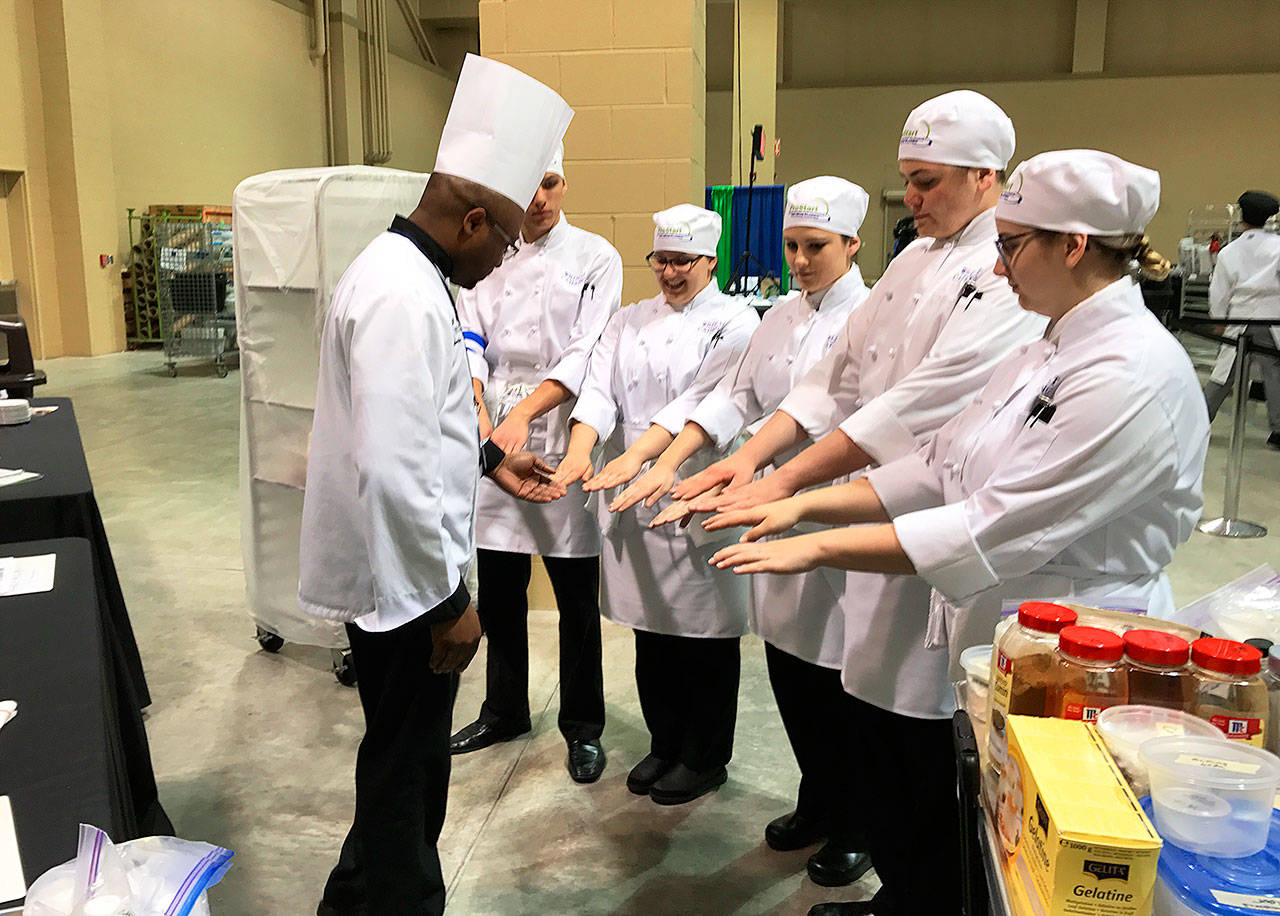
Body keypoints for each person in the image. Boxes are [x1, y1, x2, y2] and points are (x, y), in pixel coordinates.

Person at [709, 150, 1209, 915]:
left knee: (1021, 854)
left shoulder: (1129, 374)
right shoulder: (1046, 346)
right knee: (970, 812)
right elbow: (940, 465)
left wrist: (811, 543)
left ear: (1073, 245)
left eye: (1011, 247)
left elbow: (989, 528)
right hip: (1008, 636)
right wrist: (798, 500)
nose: (999, 269)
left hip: (1083, 649)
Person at [298, 55, 572, 916]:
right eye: (505, 243)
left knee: (402, 761)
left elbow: (426, 422)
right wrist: (445, 602)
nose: (503, 262)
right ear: (474, 219)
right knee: (408, 772)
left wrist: (492, 460)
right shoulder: (400, 294)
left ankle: (357, 897)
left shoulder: (415, 280)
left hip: (405, 575)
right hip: (405, 588)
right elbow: (390, 465)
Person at [609, 177, 873, 885]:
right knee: (787, 661)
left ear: (852, 243)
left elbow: (861, 419)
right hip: (761, 499)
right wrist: (684, 457)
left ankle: (857, 822)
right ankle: (816, 799)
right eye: (792, 245)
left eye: (815, 246)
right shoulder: (781, 319)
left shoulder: (873, 316)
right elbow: (737, 396)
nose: (801, 259)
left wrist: (753, 461)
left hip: (835, 503)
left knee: (838, 673)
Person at [551, 204, 760, 805]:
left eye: (682, 262)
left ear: (711, 261)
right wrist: (580, 452)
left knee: (706, 635)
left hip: (696, 483)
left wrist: (642, 459)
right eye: (661, 261)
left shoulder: (736, 321)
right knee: (652, 632)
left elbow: (700, 402)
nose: (669, 273)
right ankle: (664, 743)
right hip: (630, 493)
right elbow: (597, 391)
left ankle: (705, 756)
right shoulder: (628, 320)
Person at [448, 144, 623, 783]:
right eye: (528, 188)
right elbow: (468, 336)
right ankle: (504, 708)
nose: (539, 200)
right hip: (494, 423)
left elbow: (586, 348)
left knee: (575, 593)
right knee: (499, 587)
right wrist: (483, 420)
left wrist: (524, 417)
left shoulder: (595, 258)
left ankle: (582, 726)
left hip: (560, 426)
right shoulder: (487, 255)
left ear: (563, 184)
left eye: (549, 184)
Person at [1203, 190, 1280, 449]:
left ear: (1242, 217)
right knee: (1274, 375)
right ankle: (1279, 429)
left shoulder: (1229, 251)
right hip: (1272, 319)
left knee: (1224, 375)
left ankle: (1199, 421)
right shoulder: (1279, 246)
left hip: (1240, 317)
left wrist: (1219, 318)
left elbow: (1219, 291)